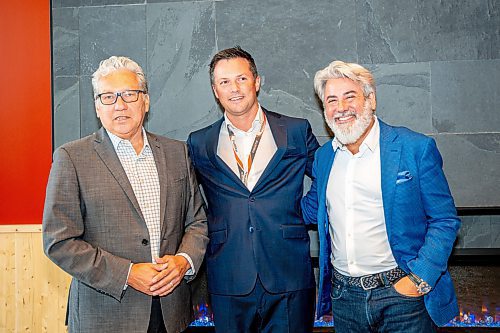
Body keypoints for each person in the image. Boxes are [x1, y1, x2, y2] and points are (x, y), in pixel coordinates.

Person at [43, 56, 209, 333]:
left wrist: (183, 261)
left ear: (145, 101)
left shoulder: (176, 153)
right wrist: (128, 274)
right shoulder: (71, 157)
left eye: (129, 95)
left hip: (171, 313)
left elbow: (197, 222)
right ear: (97, 106)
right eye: (108, 97)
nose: (119, 105)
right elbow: (58, 241)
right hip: (106, 315)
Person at [301, 60, 461, 332]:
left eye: (349, 96)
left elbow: (444, 220)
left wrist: (418, 278)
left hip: (402, 297)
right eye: (331, 100)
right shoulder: (324, 158)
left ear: (371, 99)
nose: (341, 108)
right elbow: (309, 210)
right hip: (345, 299)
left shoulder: (414, 148)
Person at [187, 46, 320, 332]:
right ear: (215, 90)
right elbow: (187, 202)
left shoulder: (295, 130)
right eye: (224, 82)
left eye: (241, 79)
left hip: (289, 274)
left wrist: (303, 212)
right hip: (228, 275)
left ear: (256, 82)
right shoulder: (199, 143)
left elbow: (328, 177)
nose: (234, 88)